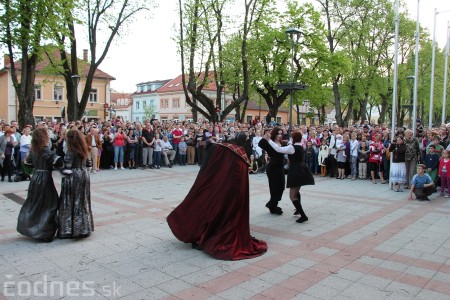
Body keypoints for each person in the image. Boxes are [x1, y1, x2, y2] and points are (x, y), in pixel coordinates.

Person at [167, 133, 267, 260]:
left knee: (206, 210)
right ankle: (204, 236)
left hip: (215, 186)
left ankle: (199, 235)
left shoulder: (223, 148)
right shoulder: (240, 155)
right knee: (218, 214)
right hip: (229, 192)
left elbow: (210, 152)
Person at [17, 127, 63, 242]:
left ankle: (33, 228)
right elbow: (59, 163)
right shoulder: (46, 150)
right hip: (44, 179)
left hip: (35, 178)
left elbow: (28, 163)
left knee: (35, 203)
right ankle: (44, 232)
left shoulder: (34, 150)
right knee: (50, 204)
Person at [58, 129, 94, 239]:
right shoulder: (84, 149)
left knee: (71, 201)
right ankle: (84, 227)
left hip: (74, 176)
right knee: (82, 201)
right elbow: (89, 164)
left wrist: (60, 166)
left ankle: (71, 229)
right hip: (84, 174)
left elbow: (67, 167)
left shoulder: (71, 151)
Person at [258, 127, 294, 215]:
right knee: (274, 187)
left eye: (281, 133)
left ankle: (272, 204)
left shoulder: (282, 142)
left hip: (280, 167)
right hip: (272, 168)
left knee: (281, 187)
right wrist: (265, 137)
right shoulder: (270, 143)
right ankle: (273, 206)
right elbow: (260, 144)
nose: (279, 135)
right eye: (278, 133)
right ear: (274, 134)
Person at [286, 131, 315, 223]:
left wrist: (268, 141)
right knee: (296, 191)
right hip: (300, 169)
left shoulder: (292, 147)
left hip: (295, 171)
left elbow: (279, 149)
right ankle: (298, 210)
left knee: (292, 196)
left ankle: (303, 215)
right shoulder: (300, 146)